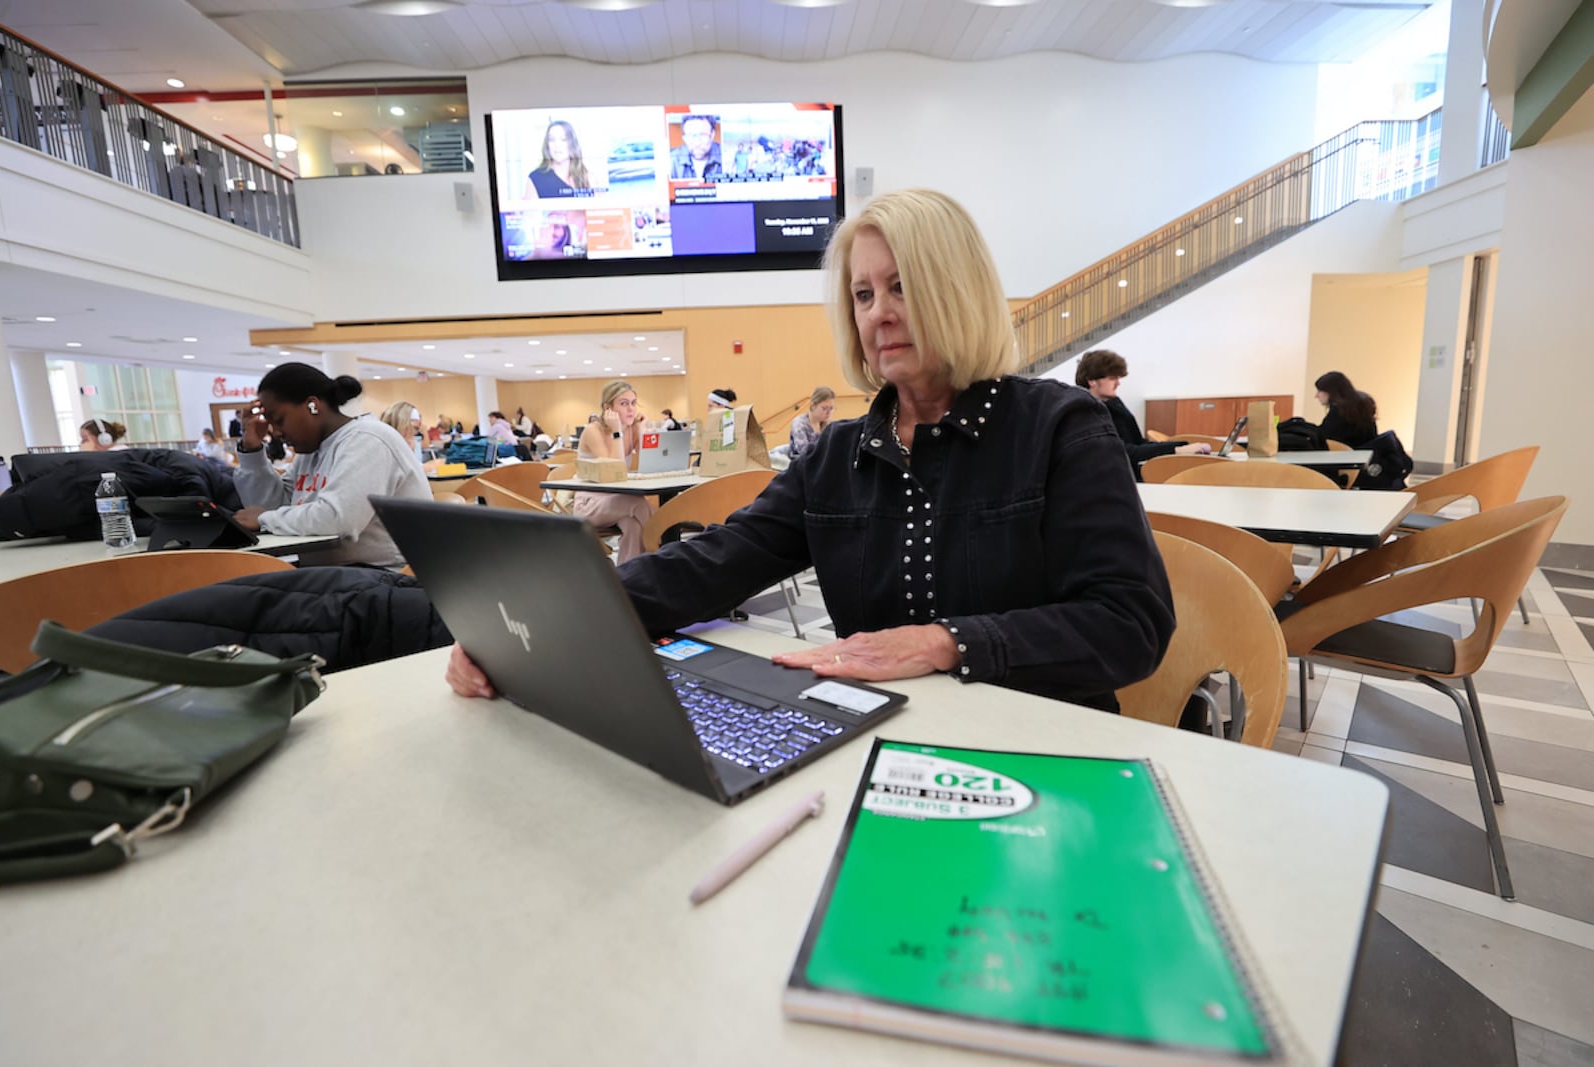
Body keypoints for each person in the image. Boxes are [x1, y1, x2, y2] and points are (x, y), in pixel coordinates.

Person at [448, 188, 1175, 711]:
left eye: (903, 286)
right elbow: (713, 563)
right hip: (879, 744)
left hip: (1046, 751)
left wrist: (946, 641)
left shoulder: (1061, 428)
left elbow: (1131, 623)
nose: (880, 312)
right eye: (862, 294)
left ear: (961, 291)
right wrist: (532, 619)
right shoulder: (838, 457)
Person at [233, 362, 432, 568]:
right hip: (337, 576)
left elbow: (338, 519)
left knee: (235, 593)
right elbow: (270, 509)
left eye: (279, 420)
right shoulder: (311, 451)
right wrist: (251, 450)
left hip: (388, 577)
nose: (275, 432)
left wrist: (265, 518)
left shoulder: (367, 439)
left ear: (313, 405)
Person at [1074, 350, 1209, 476]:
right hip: (1111, 481)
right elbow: (1122, 452)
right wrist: (1176, 450)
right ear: (1092, 381)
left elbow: (1138, 443)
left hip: (1129, 475)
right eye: (1112, 378)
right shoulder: (1086, 413)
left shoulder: (1114, 403)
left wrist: (1181, 445)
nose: (1118, 383)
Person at [571, 380, 657, 565]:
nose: (631, 409)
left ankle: (630, 577)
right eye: (624, 403)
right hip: (590, 503)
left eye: (633, 403)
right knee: (639, 505)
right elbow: (612, 474)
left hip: (619, 502)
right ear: (607, 407)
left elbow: (650, 464)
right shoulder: (592, 431)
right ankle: (662, 551)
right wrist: (617, 432)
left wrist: (641, 432)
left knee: (634, 526)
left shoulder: (632, 428)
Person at [1314, 370, 1378, 447]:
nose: (1316, 395)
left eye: (1319, 391)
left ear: (1331, 391)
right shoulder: (1362, 406)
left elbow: (1325, 436)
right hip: (1366, 456)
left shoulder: (1338, 412)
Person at [527, 119, 590, 198]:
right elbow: (530, 209)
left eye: (563, 139)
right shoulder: (535, 179)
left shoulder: (587, 177)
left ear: (572, 143)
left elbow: (598, 208)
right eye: (552, 140)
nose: (557, 145)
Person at [669, 114, 724, 181]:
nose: (697, 143)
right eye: (691, 136)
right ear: (684, 138)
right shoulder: (672, 160)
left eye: (702, 135)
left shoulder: (726, 156)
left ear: (712, 135)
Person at [788, 385, 836, 460]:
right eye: (824, 408)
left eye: (831, 408)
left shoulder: (829, 425)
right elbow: (804, 452)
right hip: (801, 465)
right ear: (813, 405)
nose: (828, 413)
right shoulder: (799, 423)